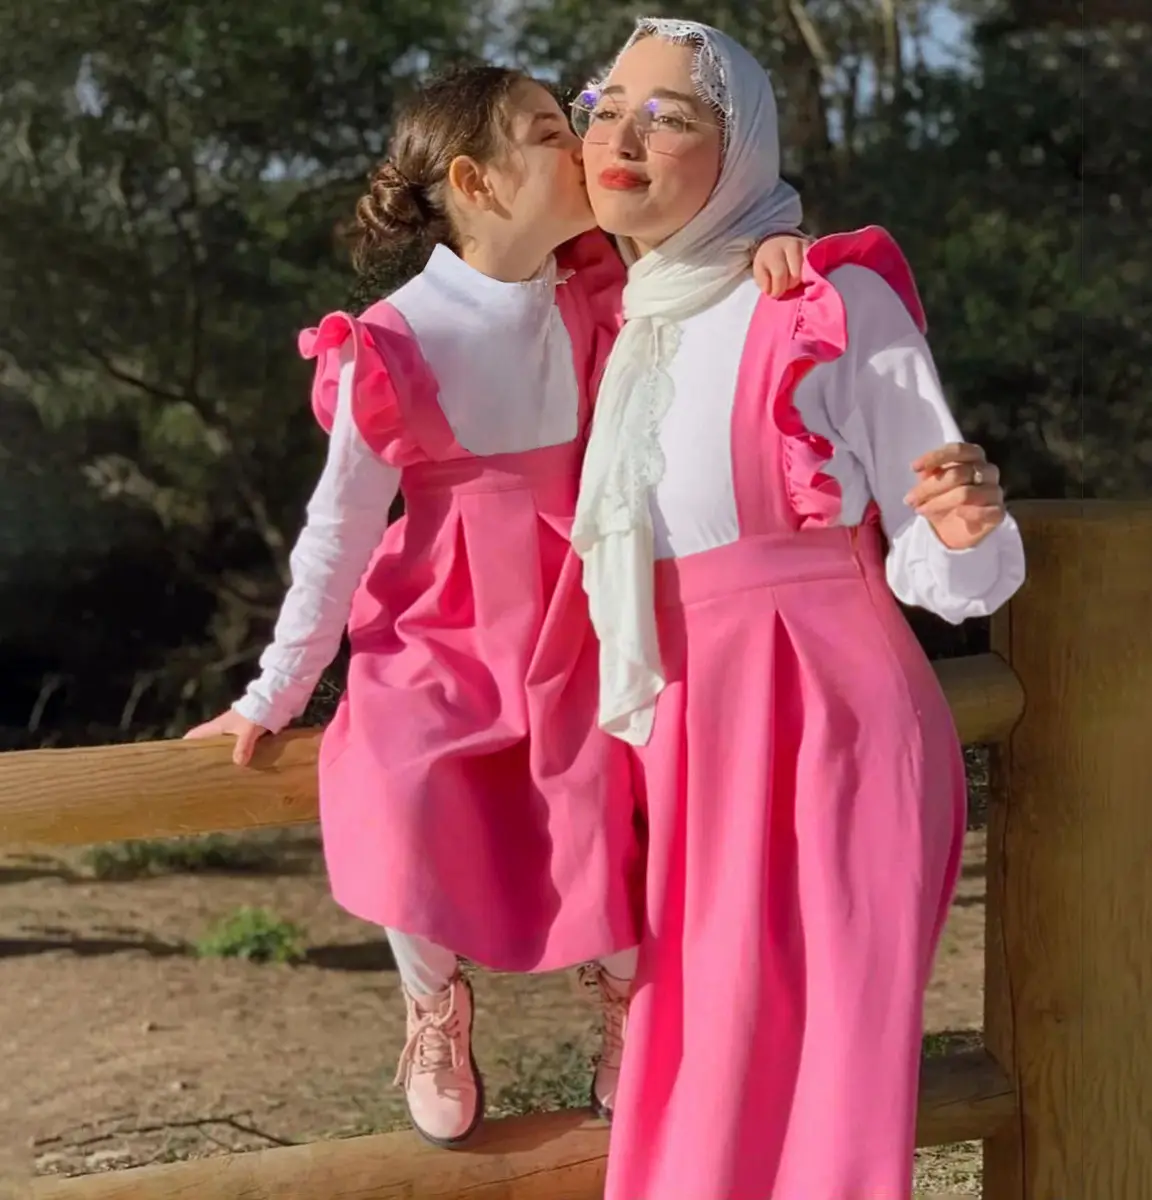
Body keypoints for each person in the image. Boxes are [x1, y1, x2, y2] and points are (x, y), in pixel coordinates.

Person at [184, 64, 807, 1148]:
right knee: (395, 777)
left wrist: (767, 248)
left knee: (606, 802)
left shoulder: (600, 284)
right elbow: (337, 532)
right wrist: (274, 689)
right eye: (545, 130)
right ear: (476, 180)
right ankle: (433, 1002)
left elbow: (708, 279)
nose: (579, 144)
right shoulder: (392, 338)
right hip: (439, 622)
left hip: (581, 603)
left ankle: (627, 1001)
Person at [569, 18, 1026, 1200]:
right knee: (692, 1064)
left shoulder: (828, 298)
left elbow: (949, 561)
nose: (623, 134)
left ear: (743, 144)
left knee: (825, 1085)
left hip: (832, 727)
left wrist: (969, 522)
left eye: (668, 114)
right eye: (605, 104)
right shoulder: (616, 322)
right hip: (688, 732)